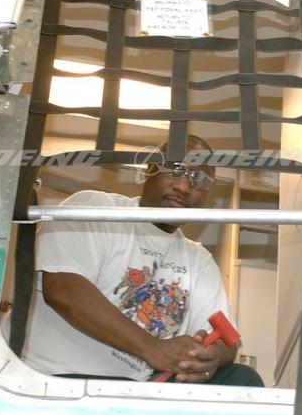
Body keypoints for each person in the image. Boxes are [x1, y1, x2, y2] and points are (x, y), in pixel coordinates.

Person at [21, 135, 263, 387]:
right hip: (54, 377)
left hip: (137, 389)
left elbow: (227, 341)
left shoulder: (198, 260)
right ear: (150, 169)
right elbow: (63, 289)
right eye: (174, 169)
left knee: (242, 379)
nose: (183, 186)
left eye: (199, 179)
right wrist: (152, 348)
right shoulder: (96, 209)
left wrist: (211, 358)